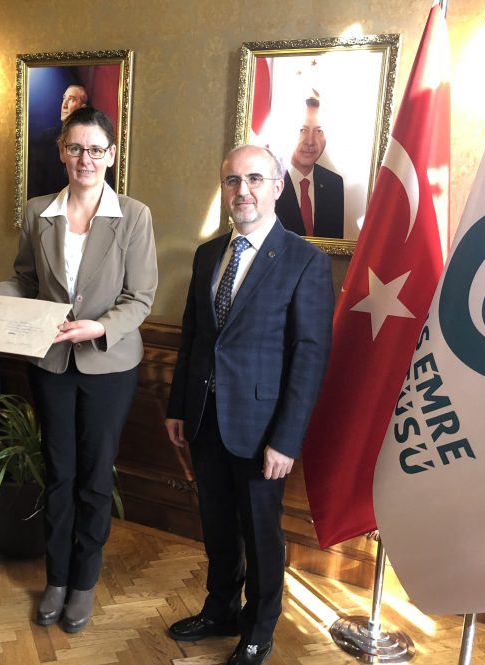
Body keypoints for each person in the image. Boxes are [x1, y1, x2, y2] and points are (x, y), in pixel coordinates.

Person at [0, 107, 158, 633]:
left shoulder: (134, 215)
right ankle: (56, 578)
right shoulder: (38, 212)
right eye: (75, 148)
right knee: (59, 472)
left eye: (95, 149)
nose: (85, 159)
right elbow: (26, 281)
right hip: (50, 362)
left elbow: (140, 298)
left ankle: (84, 581)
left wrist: (98, 328)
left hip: (109, 363)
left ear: (111, 155)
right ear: (61, 153)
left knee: (94, 478)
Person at [165, 145, 334, 665]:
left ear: (278, 187)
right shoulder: (207, 255)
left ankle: (259, 628)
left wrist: (286, 439)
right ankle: (219, 609)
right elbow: (194, 338)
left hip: (262, 430)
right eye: (233, 181)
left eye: (255, 179)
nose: (243, 191)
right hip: (204, 418)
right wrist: (178, 405)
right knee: (217, 526)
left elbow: (309, 357)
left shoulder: (306, 261)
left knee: (260, 535)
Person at [275, 98, 344, 239]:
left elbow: (333, 245)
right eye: (302, 130)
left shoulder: (334, 184)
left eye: (319, 131)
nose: (310, 141)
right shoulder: (267, 181)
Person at [26, 84, 90, 198]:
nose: (64, 105)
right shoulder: (47, 137)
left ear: (83, 108)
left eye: (71, 99)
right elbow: (34, 180)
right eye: (64, 98)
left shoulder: (91, 140)